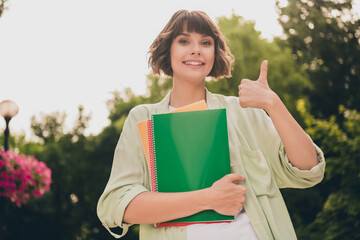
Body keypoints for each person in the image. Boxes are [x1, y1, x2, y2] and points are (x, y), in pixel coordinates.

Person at [97, 10, 325, 240]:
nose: (196, 49)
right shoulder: (142, 118)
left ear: (215, 53)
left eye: (206, 42)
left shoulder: (242, 112)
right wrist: (209, 198)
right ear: (169, 49)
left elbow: (309, 170)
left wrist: (274, 105)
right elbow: (117, 206)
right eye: (184, 41)